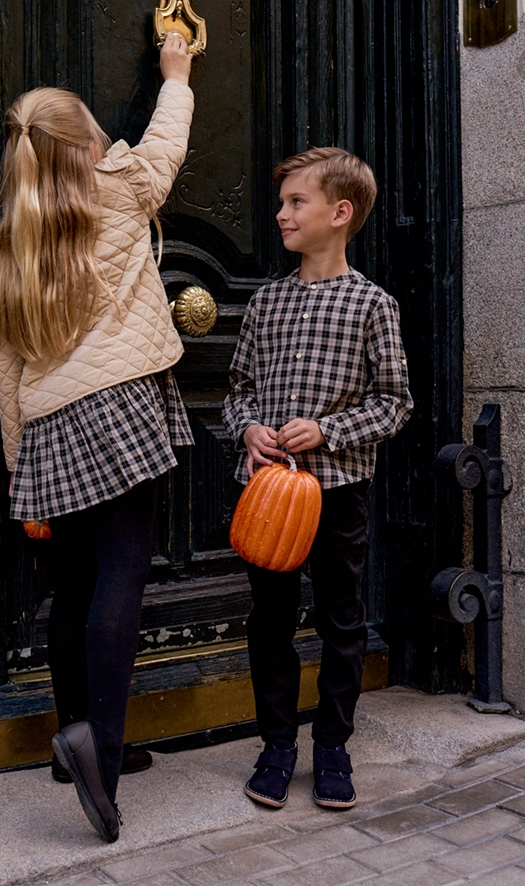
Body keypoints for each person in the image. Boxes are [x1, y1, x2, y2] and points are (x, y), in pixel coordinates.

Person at [0, 32, 194, 842]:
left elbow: (5, 373)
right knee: (121, 581)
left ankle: (76, 738)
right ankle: (99, 746)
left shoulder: (3, 251)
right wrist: (175, 75)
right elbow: (167, 145)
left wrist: (15, 465)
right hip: (124, 404)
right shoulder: (121, 188)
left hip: (50, 425)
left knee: (72, 588)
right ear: (88, 140)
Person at [222, 147, 413, 809]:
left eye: (295, 202)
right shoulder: (266, 302)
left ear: (340, 212)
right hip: (269, 494)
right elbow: (238, 390)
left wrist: (329, 431)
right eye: (282, 203)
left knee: (341, 622)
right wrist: (248, 428)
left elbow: (395, 402)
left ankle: (332, 746)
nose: (281, 214)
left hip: (337, 493)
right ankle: (276, 745)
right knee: (270, 621)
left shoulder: (372, 305)